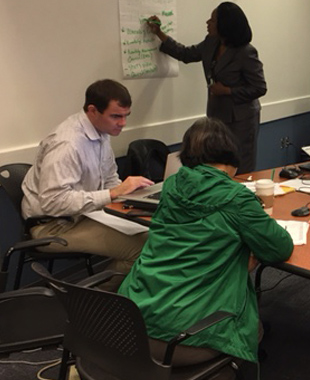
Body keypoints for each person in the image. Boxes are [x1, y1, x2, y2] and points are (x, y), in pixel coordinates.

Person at [118, 117, 293, 374]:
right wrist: (248, 250)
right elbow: (280, 248)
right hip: (181, 340)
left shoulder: (171, 187)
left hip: (128, 323)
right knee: (254, 329)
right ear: (230, 157)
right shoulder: (237, 197)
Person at [21, 79, 153, 275]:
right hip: (51, 227)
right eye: (116, 116)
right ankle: (96, 300)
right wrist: (113, 193)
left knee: (153, 236)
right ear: (92, 110)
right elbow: (53, 202)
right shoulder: (67, 144)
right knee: (143, 250)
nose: (123, 123)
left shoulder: (101, 131)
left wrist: (131, 198)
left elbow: (109, 179)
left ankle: (113, 293)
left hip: (81, 215)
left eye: (126, 116)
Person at [147, 2, 267, 174]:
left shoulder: (246, 52)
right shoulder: (211, 43)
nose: (207, 22)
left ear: (224, 25)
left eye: (212, 20)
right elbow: (186, 54)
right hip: (216, 115)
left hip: (241, 119)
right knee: (215, 163)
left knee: (240, 166)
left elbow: (259, 87)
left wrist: (228, 91)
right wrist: (159, 33)